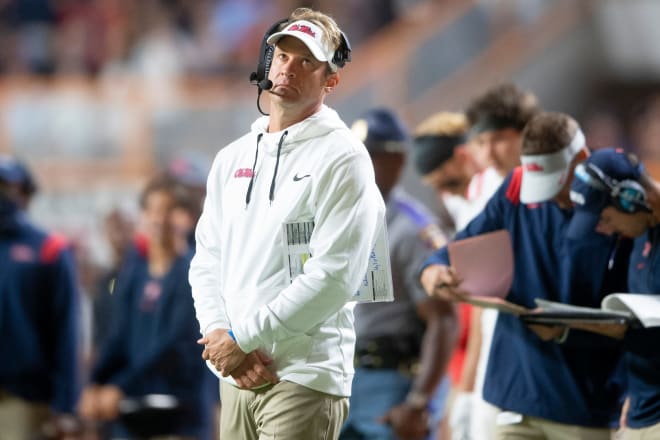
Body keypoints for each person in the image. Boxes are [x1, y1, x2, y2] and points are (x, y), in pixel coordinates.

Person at [189, 8, 385, 440]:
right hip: (236, 374)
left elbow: (335, 277)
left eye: (306, 61)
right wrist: (220, 338)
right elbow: (207, 259)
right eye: (281, 56)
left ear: (330, 80)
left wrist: (242, 338)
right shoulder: (232, 157)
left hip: (305, 376)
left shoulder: (344, 157)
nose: (288, 68)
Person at [420, 112, 629, 439]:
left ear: (582, 158)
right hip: (515, 395)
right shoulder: (517, 186)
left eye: (556, 182)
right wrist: (434, 269)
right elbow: (460, 245)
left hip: (585, 404)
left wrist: (567, 331)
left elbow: (631, 319)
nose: (546, 194)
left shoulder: (621, 210)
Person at [339, 108, 457, 440]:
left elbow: (443, 320)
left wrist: (419, 402)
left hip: (393, 380)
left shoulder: (413, 229)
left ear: (397, 160)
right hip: (343, 376)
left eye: (370, 156)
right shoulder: (342, 217)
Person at [78, 175, 216, 439]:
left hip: (178, 415)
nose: (159, 219)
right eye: (152, 210)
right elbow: (117, 336)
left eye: (168, 210)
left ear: (186, 218)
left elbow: (173, 346)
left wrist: (120, 387)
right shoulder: (134, 274)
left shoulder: (195, 274)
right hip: (130, 415)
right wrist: (93, 384)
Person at [452, 82, 541, 440]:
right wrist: (467, 384)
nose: (490, 151)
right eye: (481, 141)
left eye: (500, 138)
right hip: (496, 347)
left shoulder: (554, 187)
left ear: (525, 134)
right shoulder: (481, 196)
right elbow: (479, 304)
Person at [566, 148, 660, 439]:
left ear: (631, 199)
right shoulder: (639, 235)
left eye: (605, 218)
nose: (606, 230)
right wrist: (634, 394)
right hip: (640, 414)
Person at [0, 155, 80, 438]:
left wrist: (66, 404)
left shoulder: (48, 249)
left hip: (23, 398)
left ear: (24, 193)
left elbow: (66, 331)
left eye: (6, 186)